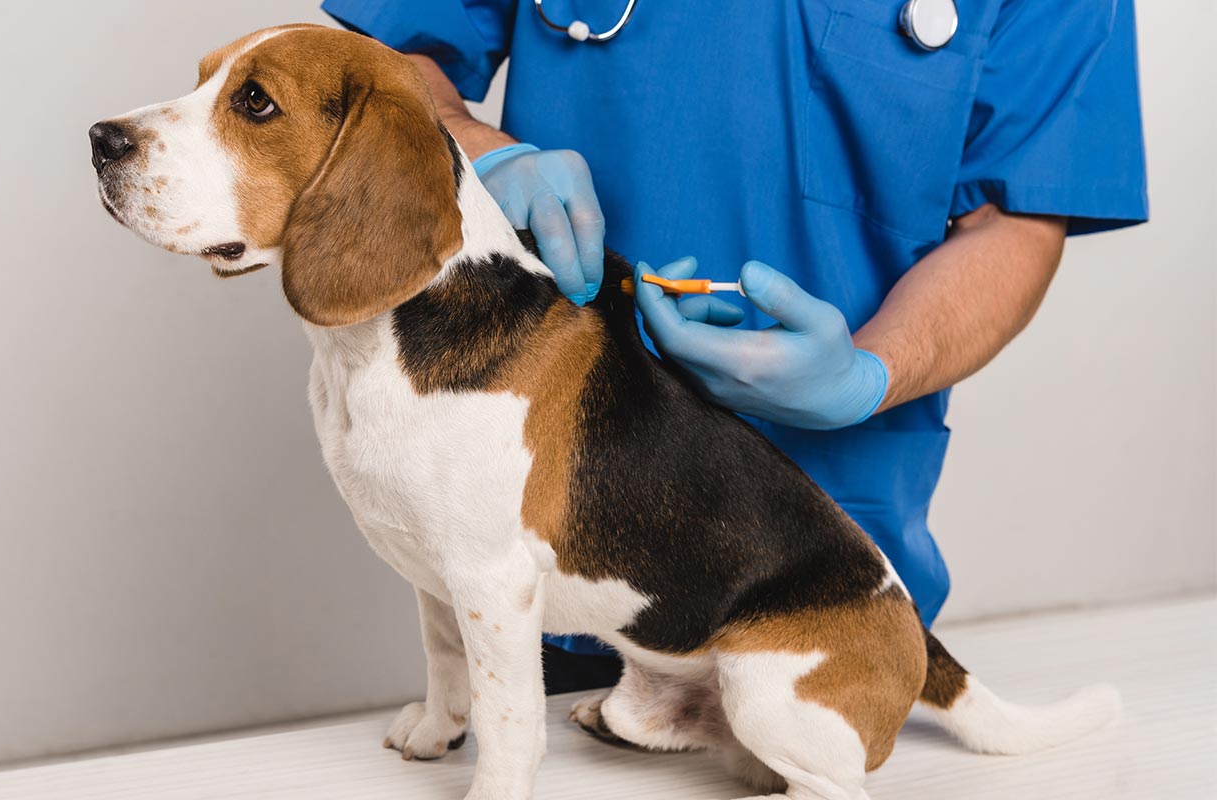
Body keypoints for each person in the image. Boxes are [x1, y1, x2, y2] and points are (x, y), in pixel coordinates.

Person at [321, 0, 1148, 693]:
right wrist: (477, 147)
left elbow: (1017, 215)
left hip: (822, 622)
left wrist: (871, 371)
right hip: (555, 595)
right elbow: (375, 63)